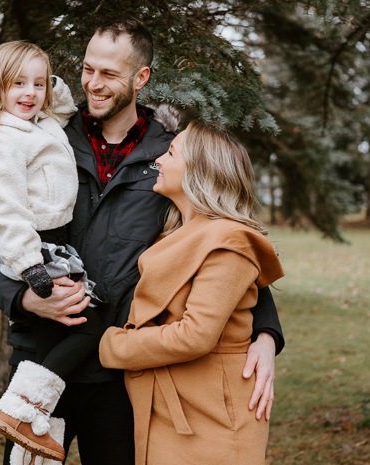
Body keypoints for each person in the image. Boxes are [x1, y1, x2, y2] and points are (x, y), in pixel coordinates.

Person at [0, 18, 285, 465]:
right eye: (88, 69)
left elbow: (225, 237)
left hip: (119, 373)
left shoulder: (173, 157)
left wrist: (266, 332)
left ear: (141, 78)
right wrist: (24, 300)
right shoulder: (41, 136)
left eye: (109, 74)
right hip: (39, 359)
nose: (93, 84)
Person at [99, 121, 283, 465]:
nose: (159, 160)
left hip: (212, 414)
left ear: (198, 170)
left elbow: (195, 335)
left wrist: (114, 346)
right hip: (171, 407)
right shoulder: (176, 232)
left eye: (170, 153)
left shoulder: (229, 241)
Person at [0, 41, 105, 462]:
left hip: (54, 241)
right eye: (18, 83)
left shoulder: (40, 124)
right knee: (86, 326)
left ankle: (32, 431)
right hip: (33, 248)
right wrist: (30, 267)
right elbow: (6, 209)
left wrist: (49, 80)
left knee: (64, 333)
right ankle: (25, 411)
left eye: (38, 84)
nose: (30, 93)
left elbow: (62, 110)